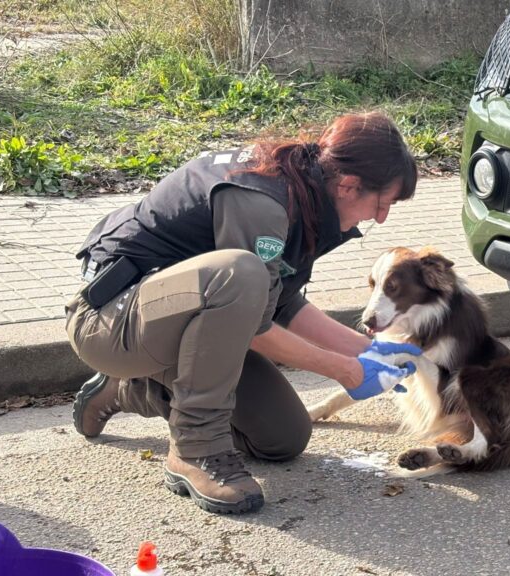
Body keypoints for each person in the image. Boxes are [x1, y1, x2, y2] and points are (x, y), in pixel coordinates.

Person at [64, 111, 422, 515]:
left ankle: (128, 389)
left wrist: (368, 350)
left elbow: (279, 301)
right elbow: (252, 319)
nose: (381, 218)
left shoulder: (304, 188)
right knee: (240, 272)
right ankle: (195, 450)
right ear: (349, 185)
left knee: (282, 436)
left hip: (174, 319)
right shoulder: (263, 202)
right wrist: (347, 371)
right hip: (110, 321)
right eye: (382, 203)